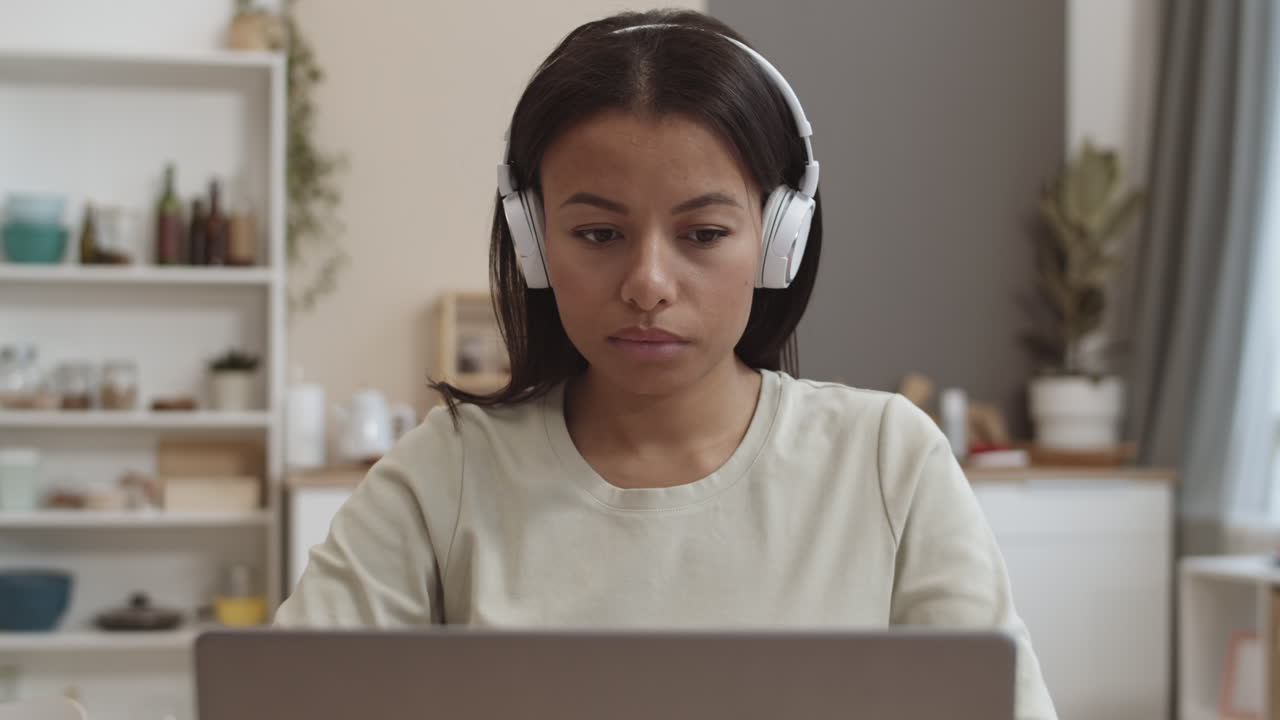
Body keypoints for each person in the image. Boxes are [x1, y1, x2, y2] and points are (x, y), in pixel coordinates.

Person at [275, 9, 1056, 719]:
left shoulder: (888, 461)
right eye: (599, 234)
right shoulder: (444, 475)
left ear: (779, 241)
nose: (648, 284)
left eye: (704, 234)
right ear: (533, 244)